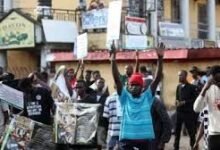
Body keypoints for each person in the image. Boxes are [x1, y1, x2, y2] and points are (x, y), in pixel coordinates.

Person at [110, 41, 164, 150]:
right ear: (128, 87)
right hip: (127, 139)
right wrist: (113, 60)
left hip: (145, 139)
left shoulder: (147, 97)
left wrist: (160, 58)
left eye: (137, 85)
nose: (134, 87)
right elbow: (116, 79)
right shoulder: (125, 98)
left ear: (142, 87)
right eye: (132, 85)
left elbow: (157, 78)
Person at [194, 65, 220, 150]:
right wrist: (204, 89)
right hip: (214, 135)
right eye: (216, 80)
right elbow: (196, 108)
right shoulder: (209, 89)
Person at [174, 70, 198, 150]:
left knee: (191, 133)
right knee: (177, 132)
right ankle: (175, 147)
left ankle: (193, 147)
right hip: (179, 112)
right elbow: (177, 98)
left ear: (185, 76)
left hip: (188, 113)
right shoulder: (178, 87)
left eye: (181, 75)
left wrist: (185, 102)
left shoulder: (192, 87)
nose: (179, 77)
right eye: (178, 75)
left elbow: (195, 100)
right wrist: (177, 102)